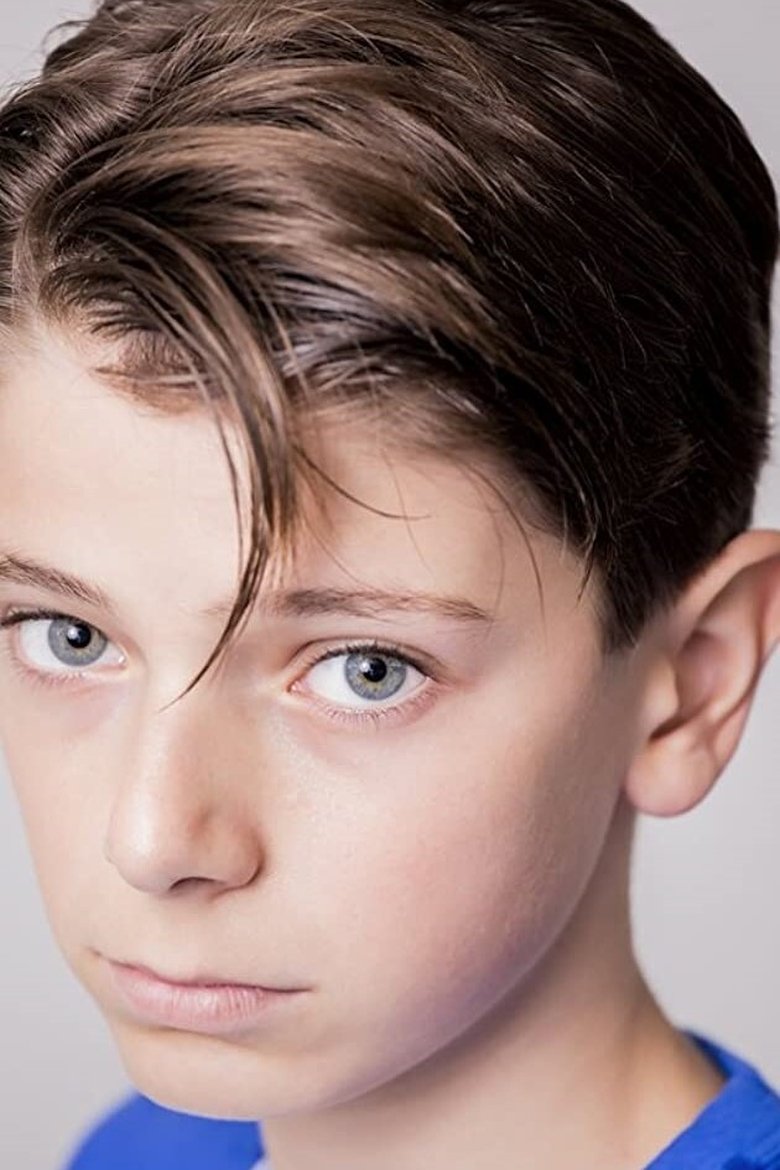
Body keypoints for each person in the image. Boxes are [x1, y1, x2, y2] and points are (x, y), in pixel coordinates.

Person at [0, 0, 778, 1167]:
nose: (153, 839)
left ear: (694, 686)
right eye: (68, 635)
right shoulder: (149, 1151)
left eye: (366, 670)